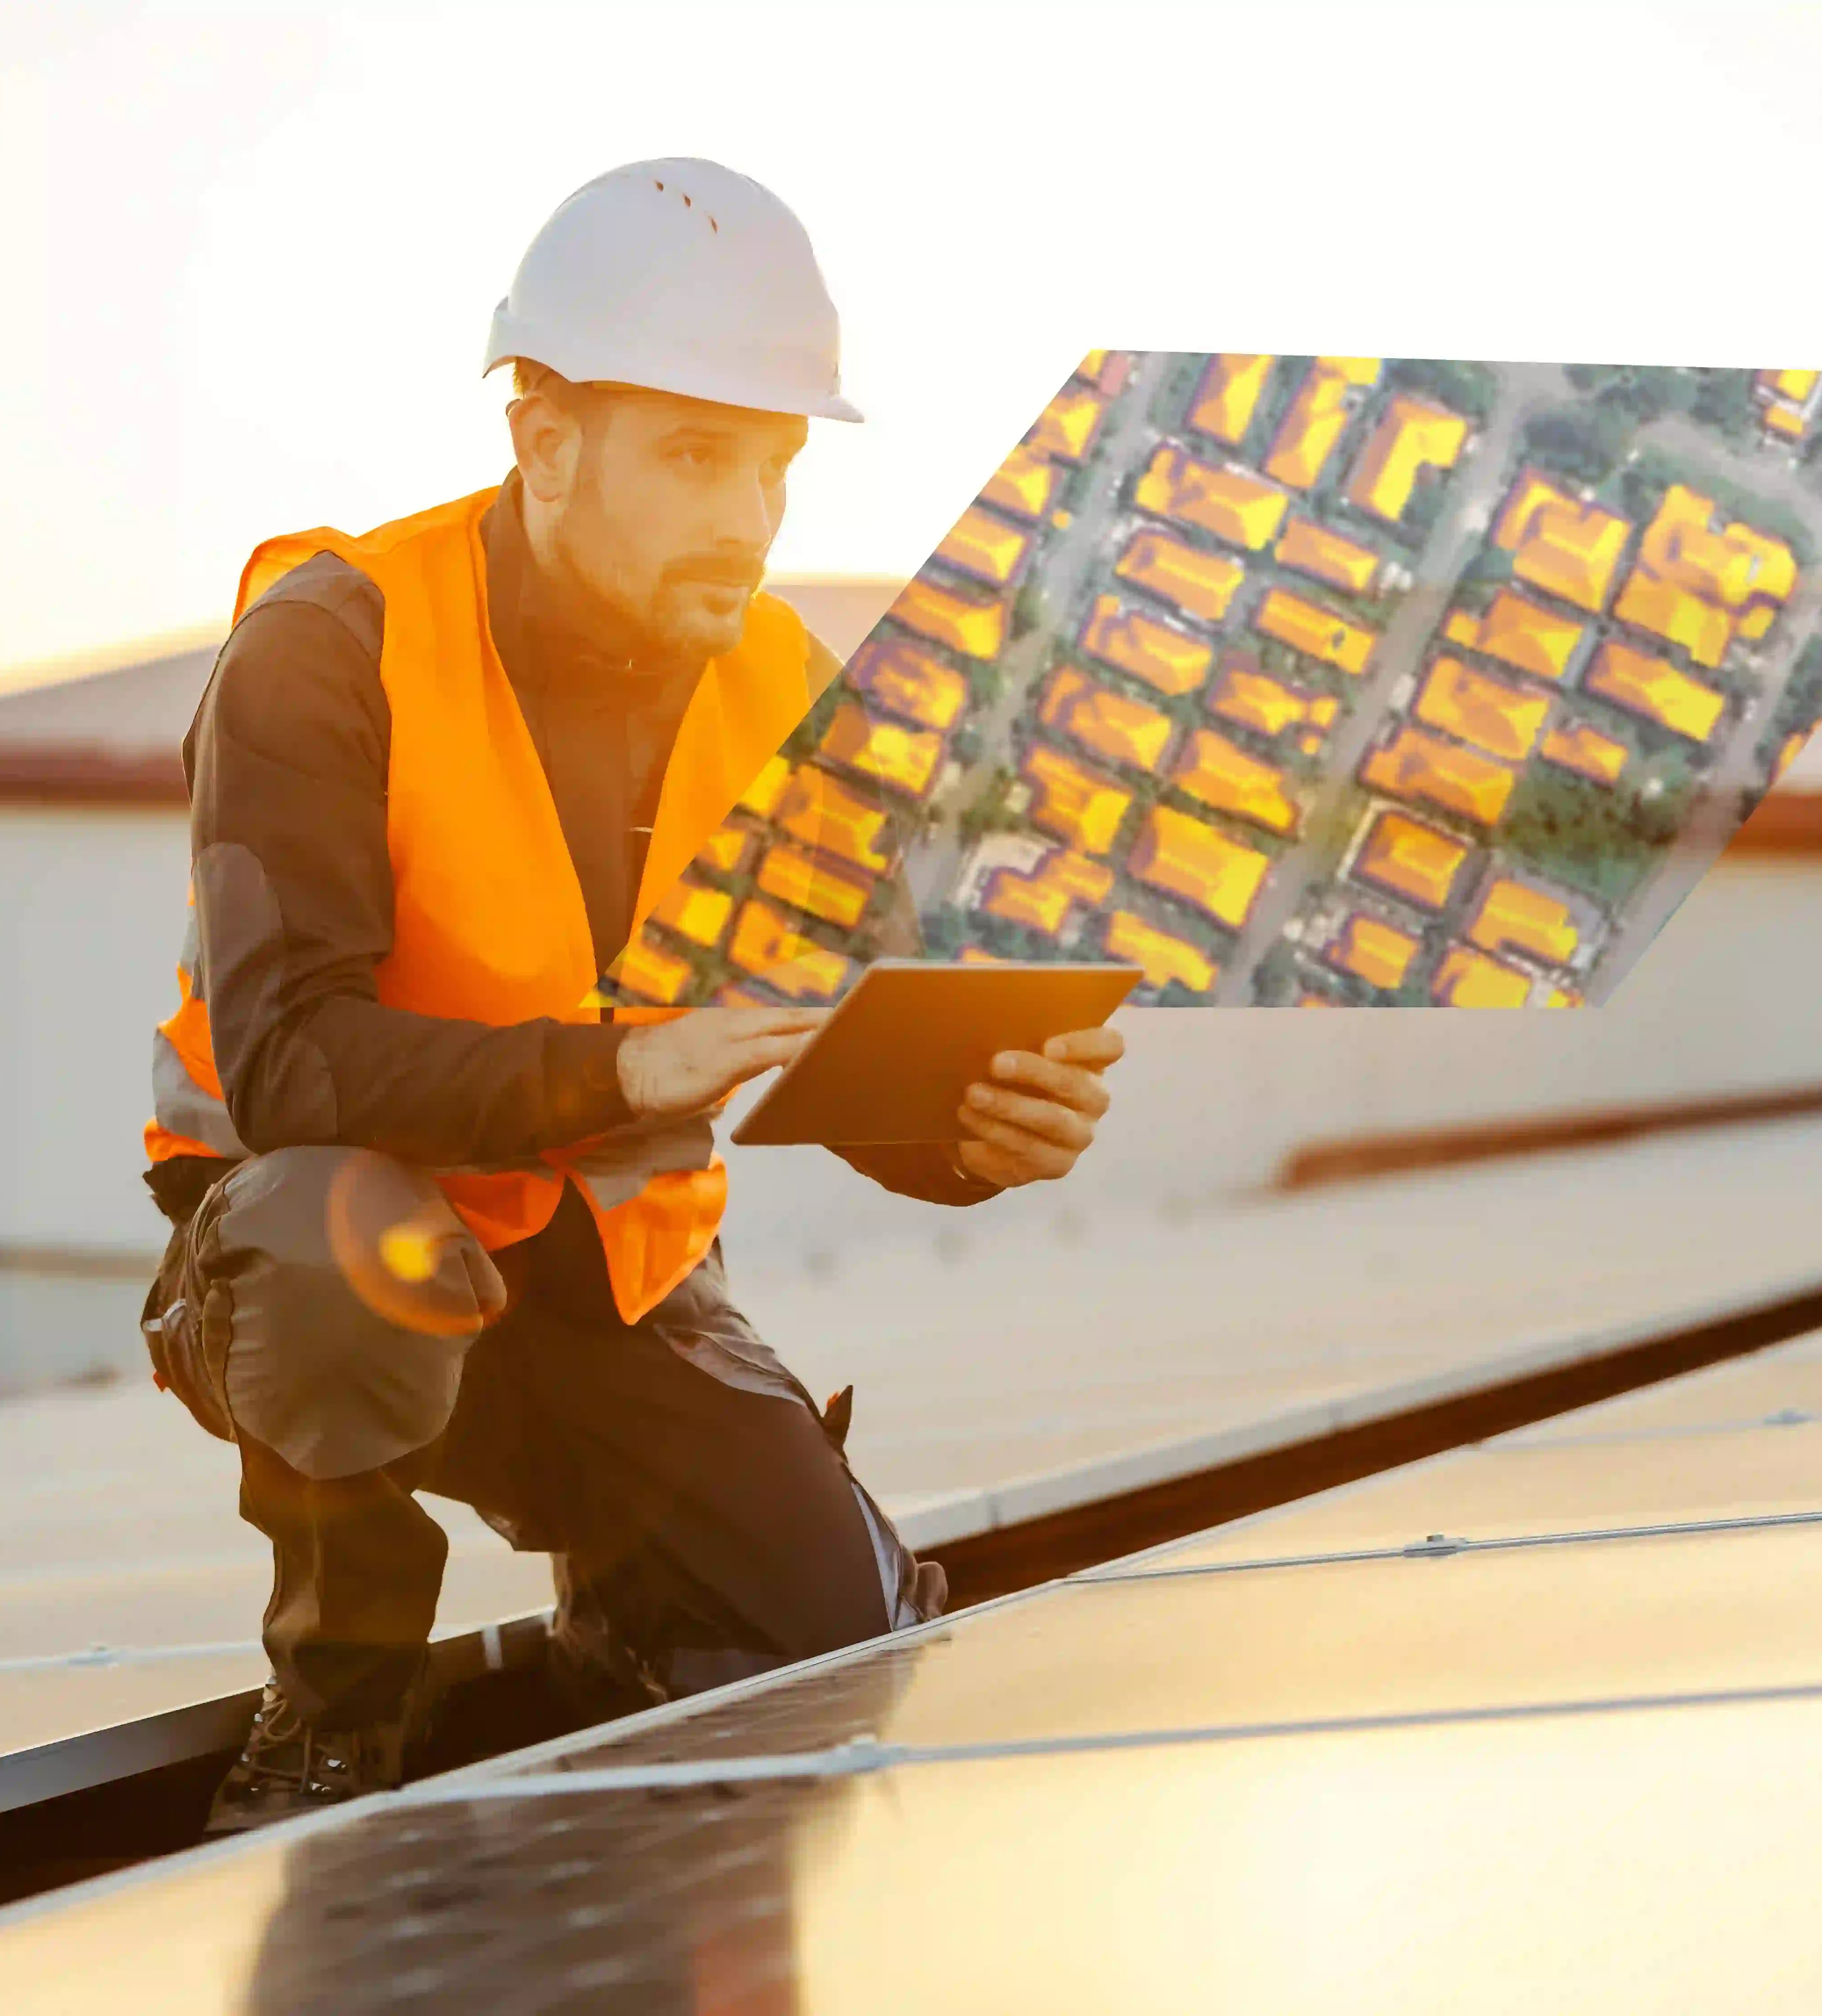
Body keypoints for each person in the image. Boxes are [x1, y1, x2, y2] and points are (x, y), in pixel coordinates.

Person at [139, 158, 1124, 1834]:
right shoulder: (328, 647)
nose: (748, 515)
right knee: (327, 1253)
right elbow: (289, 1063)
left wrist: (975, 1135)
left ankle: (625, 1620)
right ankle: (334, 1708)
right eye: (693, 458)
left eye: (775, 465)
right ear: (545, 442)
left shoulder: (783, 686)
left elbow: (833, 1048)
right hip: (320, 1269)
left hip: (610, 1280)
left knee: (834, 1638)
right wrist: (621, 1069)